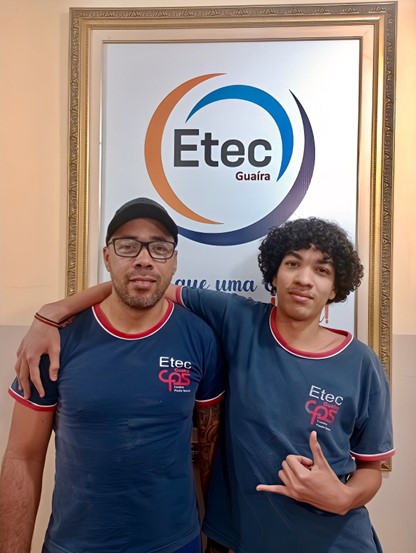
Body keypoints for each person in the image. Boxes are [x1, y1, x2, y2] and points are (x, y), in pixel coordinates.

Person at [13, 216, 394, 552]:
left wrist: (344, 497)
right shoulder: (237, 319)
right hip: (244, 540)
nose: (304, 279)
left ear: (336, 286)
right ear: (274, 274)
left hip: (336, 541)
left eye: (322, 270)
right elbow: (144, 285)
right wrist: (53, 312)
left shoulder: (360, 363)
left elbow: (371, 468)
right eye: (292, 264)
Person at [0, 198, 225, 553]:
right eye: (128, 246)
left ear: (174, 261)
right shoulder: (54, 341)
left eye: (159, 247)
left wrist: (217, 540)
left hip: (175, 544)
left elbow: (211, 450)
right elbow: (22, 458)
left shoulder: (200, 338)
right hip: (75, 545)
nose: (144, 259)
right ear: (107, 257)